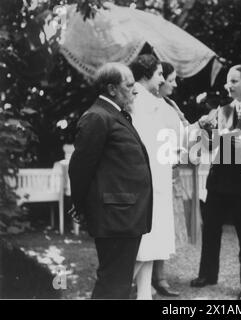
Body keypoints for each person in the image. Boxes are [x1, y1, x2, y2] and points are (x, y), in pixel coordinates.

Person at [68, 62, 153, 299]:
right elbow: (80, 168)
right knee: (113, 284)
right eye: (129, 85)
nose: (135, 90)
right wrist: (80, 204)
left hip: (124, 215)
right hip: (115, 216)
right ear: (112, 89)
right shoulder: (97, 116)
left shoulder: (114, 114)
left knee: (118, 282)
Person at [190, 65, 241, 300]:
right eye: (227, 82)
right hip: (219, 180)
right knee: (210, 230)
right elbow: (210, 146)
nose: (229, 86)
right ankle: (208, 274)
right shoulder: (222, 110)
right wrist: (204, 130)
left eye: (234, 81)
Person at [130, 55, 184, 300]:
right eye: (160, 74)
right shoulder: (138, 99)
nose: (163, 79)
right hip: (148, 181)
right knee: (144, 245)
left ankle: (144, 294)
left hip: (158, 178)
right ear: (146, 74)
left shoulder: (152, 101)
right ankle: (113, 291)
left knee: (151, 244)